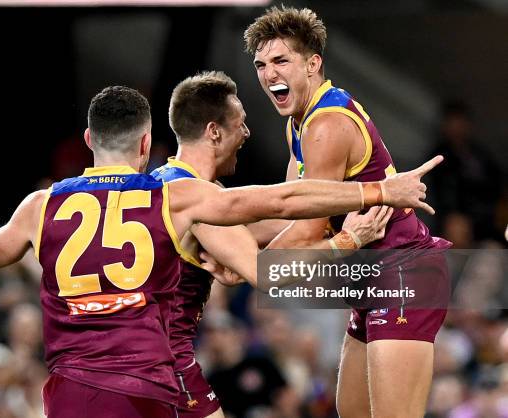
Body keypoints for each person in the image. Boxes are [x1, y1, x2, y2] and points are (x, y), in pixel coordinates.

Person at [0, 86, 437, 418]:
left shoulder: (41, 203)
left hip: (71, 386)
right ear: (146, 144)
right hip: (155, 379)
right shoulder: (175, 198)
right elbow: (278, 213)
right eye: (241, 128)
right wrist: (368, 205)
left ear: (90, 138)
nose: (248, 135)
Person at [244, 6, 452, 418]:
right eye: (261, 64)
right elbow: (290, 213)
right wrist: (223, 237)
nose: (269, 74)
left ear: (313, 63)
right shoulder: (298, 124)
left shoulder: (326, 126)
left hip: (404, 273)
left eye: (281, 61)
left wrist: (246, 265)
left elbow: (305, 233)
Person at [151, 71, 396, 418]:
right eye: (241, 124)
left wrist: (323, 216)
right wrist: (349, 239)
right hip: (166, 363)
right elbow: (269, 275)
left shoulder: (163, 183)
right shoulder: (198, 198)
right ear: (214, 131)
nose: (247, 133)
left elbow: (264, 225)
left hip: (137, 358)